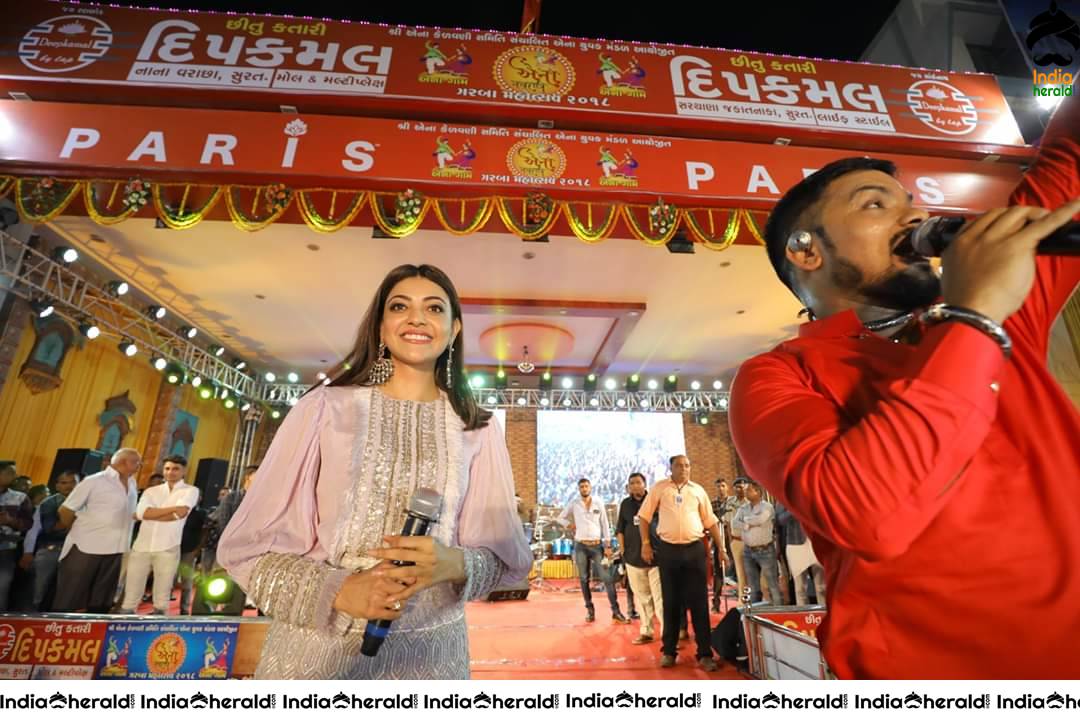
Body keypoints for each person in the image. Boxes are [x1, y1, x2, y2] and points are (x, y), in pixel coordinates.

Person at [729, 94, 1080, 679]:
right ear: (806, 250)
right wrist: (972, 319)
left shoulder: (998, 307)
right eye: (875, 205)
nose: (915, 219)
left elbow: (1069, 158)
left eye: (911, 205)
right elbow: (867, 515)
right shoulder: (776, 376)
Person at [218, 264, 532, 679]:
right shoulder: (325, 409)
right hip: (318, 652)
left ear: (454, 330)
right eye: (400, 306)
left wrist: (454, 563)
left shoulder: (477, 426)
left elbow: (506, 561)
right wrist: (340, 591)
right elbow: (247, 551)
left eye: (434, 308)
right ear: (381, 328)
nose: (417, 318)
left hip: (432, 657)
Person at [638, 455, 725, 671]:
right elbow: (644, 517)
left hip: (695, 550)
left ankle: (705, 653)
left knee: (699, 602)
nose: (684, 469)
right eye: (679, 465)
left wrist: (722, 549)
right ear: (671, 468)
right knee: (670, 602)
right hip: (667, 551)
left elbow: (710, 521)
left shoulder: (697, 490)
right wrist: (646, 543)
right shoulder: (660, 488)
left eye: (687, 465)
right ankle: (669, 651)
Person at [53, 449, 140, 613]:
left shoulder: (133, 483)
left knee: (102, 601)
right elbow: (66, 510)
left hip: (117, 548)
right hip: (86, 546)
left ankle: (94, 636)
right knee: (70, 596)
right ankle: (60, 634)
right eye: (136, 462)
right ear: (122, 462)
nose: (139, 466)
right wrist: (77, 531)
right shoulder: (94, 481)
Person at [119, 455, 198, 615]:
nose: (170, 472)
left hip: (168, 546)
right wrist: (171, 510)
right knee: (131, 591)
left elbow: (181, 513)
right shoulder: (151, 491)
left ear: (184, 471)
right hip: (142, 545)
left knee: (162, 594)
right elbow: (142, 514)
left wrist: (151, 513)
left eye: (175, 469)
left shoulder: (191, 490)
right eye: (167, 468)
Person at [557, 478, 629, 624]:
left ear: (590, 487)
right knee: (584, 579)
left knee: (607, 578)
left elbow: (604, 523)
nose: (584, 488)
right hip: (581, 546)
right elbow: (560, 518)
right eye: (581, 487)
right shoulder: (574, 503)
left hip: (597, 546)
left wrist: (608, 545)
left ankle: (616, 612)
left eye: (586, 486)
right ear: (579, 489)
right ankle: (590, 610)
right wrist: (569, 525)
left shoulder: (598, 502)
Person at [19, 471, 78, 610]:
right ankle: (34, 618)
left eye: (73, 482)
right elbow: (47, 528)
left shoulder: (87, 503)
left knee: (68, 592)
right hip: (51, 550)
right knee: (39, 590)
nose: (69, 486)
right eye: (64, 483)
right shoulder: (48, 503)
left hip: (77, 552)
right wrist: (27, 552)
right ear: (57, 486)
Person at [616, 473, 662, 645]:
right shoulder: (625, 505)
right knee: (642, 598)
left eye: (638, 482)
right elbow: (620, 529)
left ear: (644, 484)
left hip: (656, 557)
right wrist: (622, 552)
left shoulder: (654, 501)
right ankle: (646, 631)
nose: (635, 486)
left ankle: (668, 635)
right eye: (632, 483)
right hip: (633, 558)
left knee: (660, 599)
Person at [731, 481, 782, 605]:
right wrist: (748, 524)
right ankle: (755, 615)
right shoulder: (743, 508)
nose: (745, 492)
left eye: (749, 490)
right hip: (748, 551)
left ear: (758, 492)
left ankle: (778, 614)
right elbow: (734, 523)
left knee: (772, 586)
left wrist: (746, 521)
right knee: (753, 588)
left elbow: (761, 519)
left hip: (765, 550)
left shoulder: (767, 507)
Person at [775, 501, 825, 606]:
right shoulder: (784, 496)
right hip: (795, 545)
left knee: (821, 587)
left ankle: (825, 615)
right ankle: (803, 619)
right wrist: (796, 509)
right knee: (800, 588)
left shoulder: (813, 493)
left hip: (816, 542)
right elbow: (780, 520)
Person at [0, 461, 32, 610]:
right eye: (10, 472)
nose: (15, 476)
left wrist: (10, 521)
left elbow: (28, 525)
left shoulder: (20, 498)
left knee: (2, 587)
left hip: (6, 549)